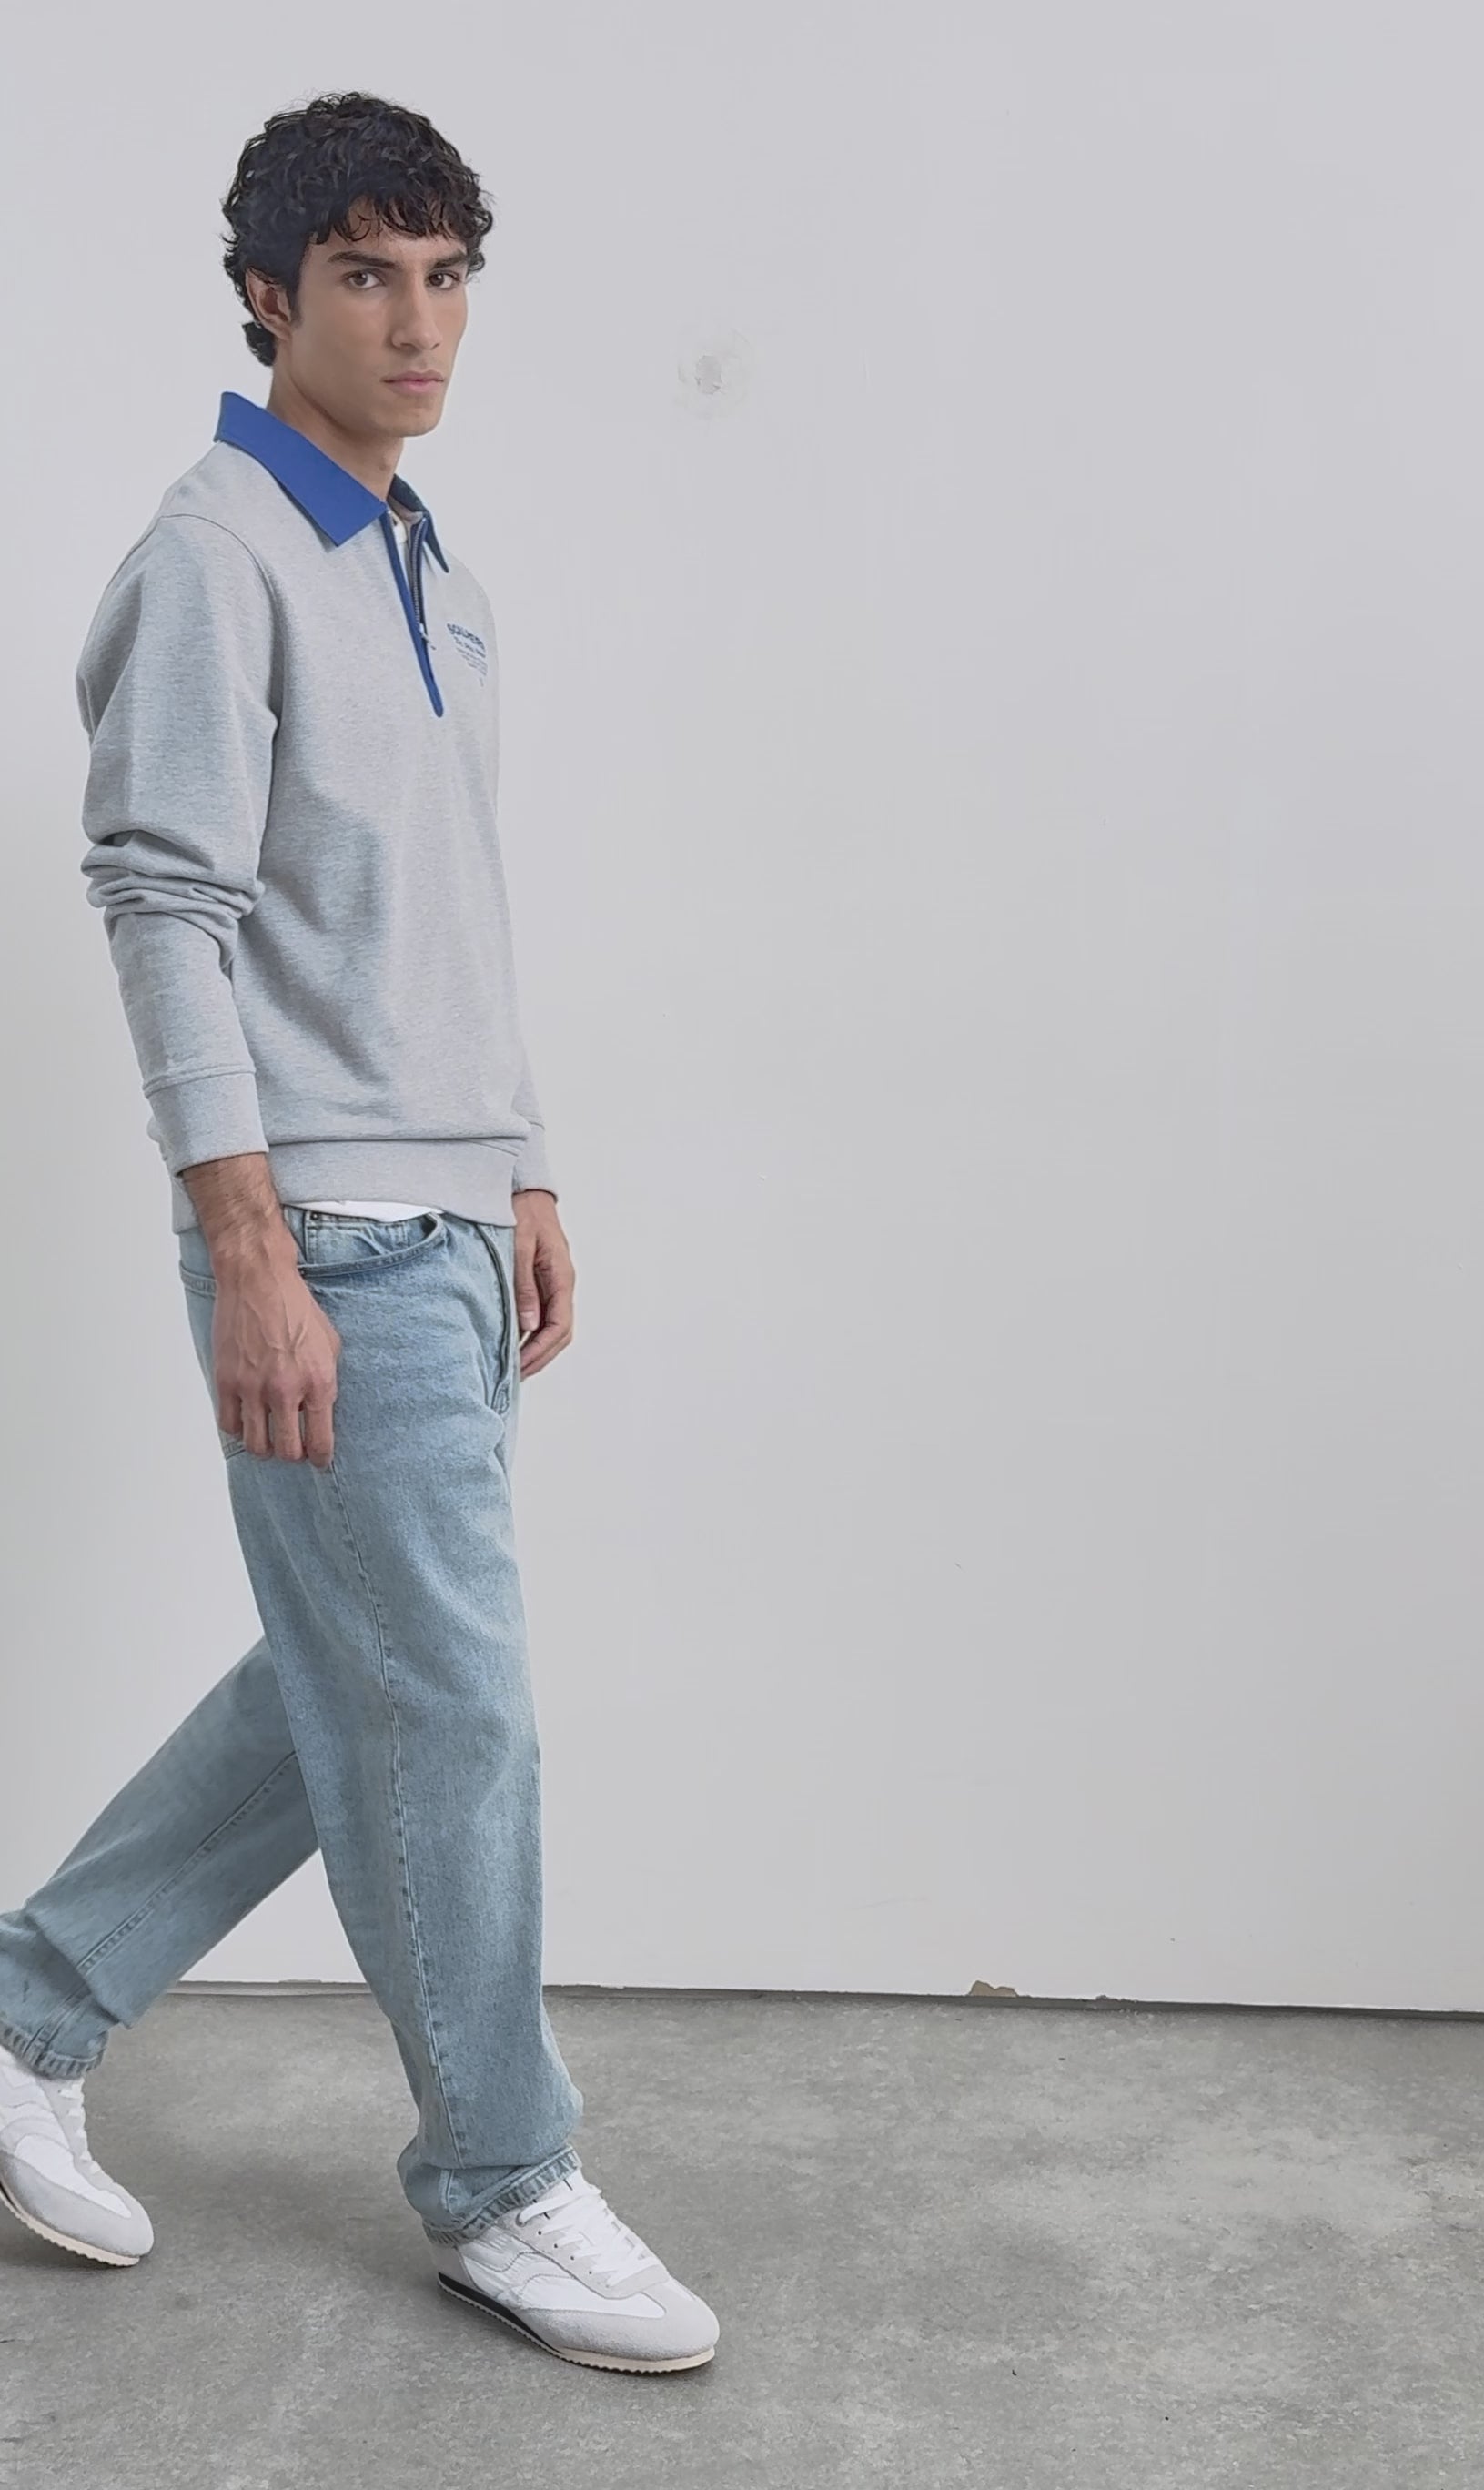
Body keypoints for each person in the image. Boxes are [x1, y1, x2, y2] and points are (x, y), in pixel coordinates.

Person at [0, 91, 719, 2376]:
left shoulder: (427, 569)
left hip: (447, 1224)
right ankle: (502, 2179)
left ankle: (19, 2012)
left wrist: (520, 1163)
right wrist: (248, 1250)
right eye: (365, 277)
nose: (418, 324)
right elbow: (163, 903)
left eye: (446, 277)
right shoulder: (216, 554)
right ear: (265, 295)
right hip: (324, 1236)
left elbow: (437, 915)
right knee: (451, 1714)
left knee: (350, 1687)